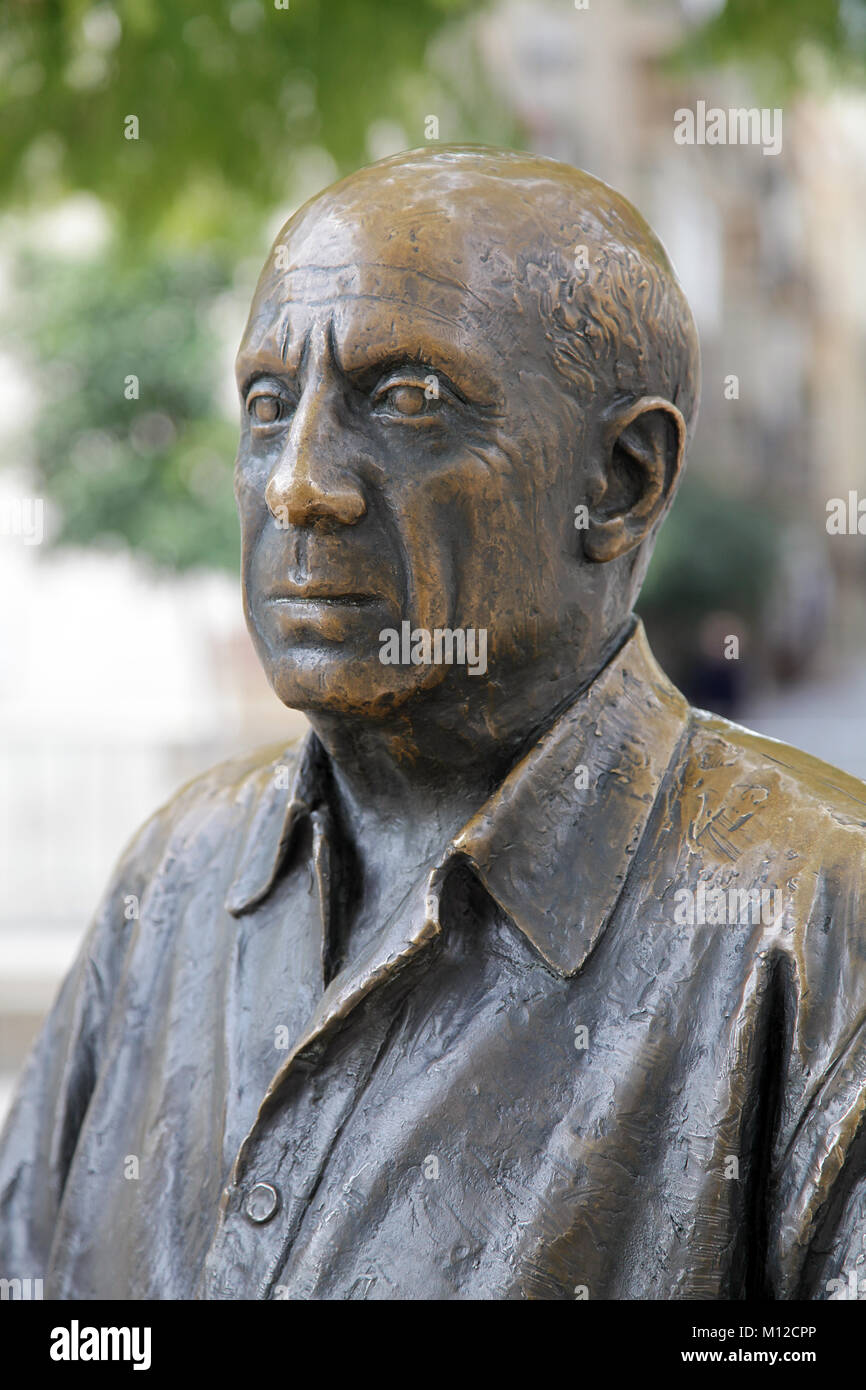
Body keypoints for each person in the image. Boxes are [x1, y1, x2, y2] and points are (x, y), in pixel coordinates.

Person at [2, 146, 866, 1300]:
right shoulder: (175, 871)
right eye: (267, 405)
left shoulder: (813, 923)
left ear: (617, 481)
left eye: (406, 400)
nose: (295, 483)